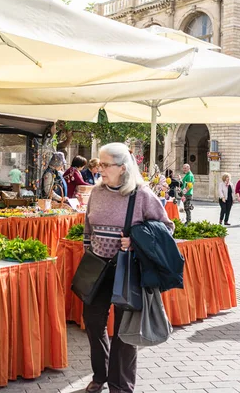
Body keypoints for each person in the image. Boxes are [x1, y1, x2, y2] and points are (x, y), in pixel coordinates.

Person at [83, 142, 174, 393]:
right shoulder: (97, 192)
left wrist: (136, 241)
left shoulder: (141, 195)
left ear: (122, 168)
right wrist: (88, 249)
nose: (99, 168)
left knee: (125, 331)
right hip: (98, 267)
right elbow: (88, 227)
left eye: (105, 164)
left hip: (128, 270)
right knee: (92, 321)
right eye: (99, 163)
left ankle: (120, 385)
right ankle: (100, 374)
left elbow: (166, 228)